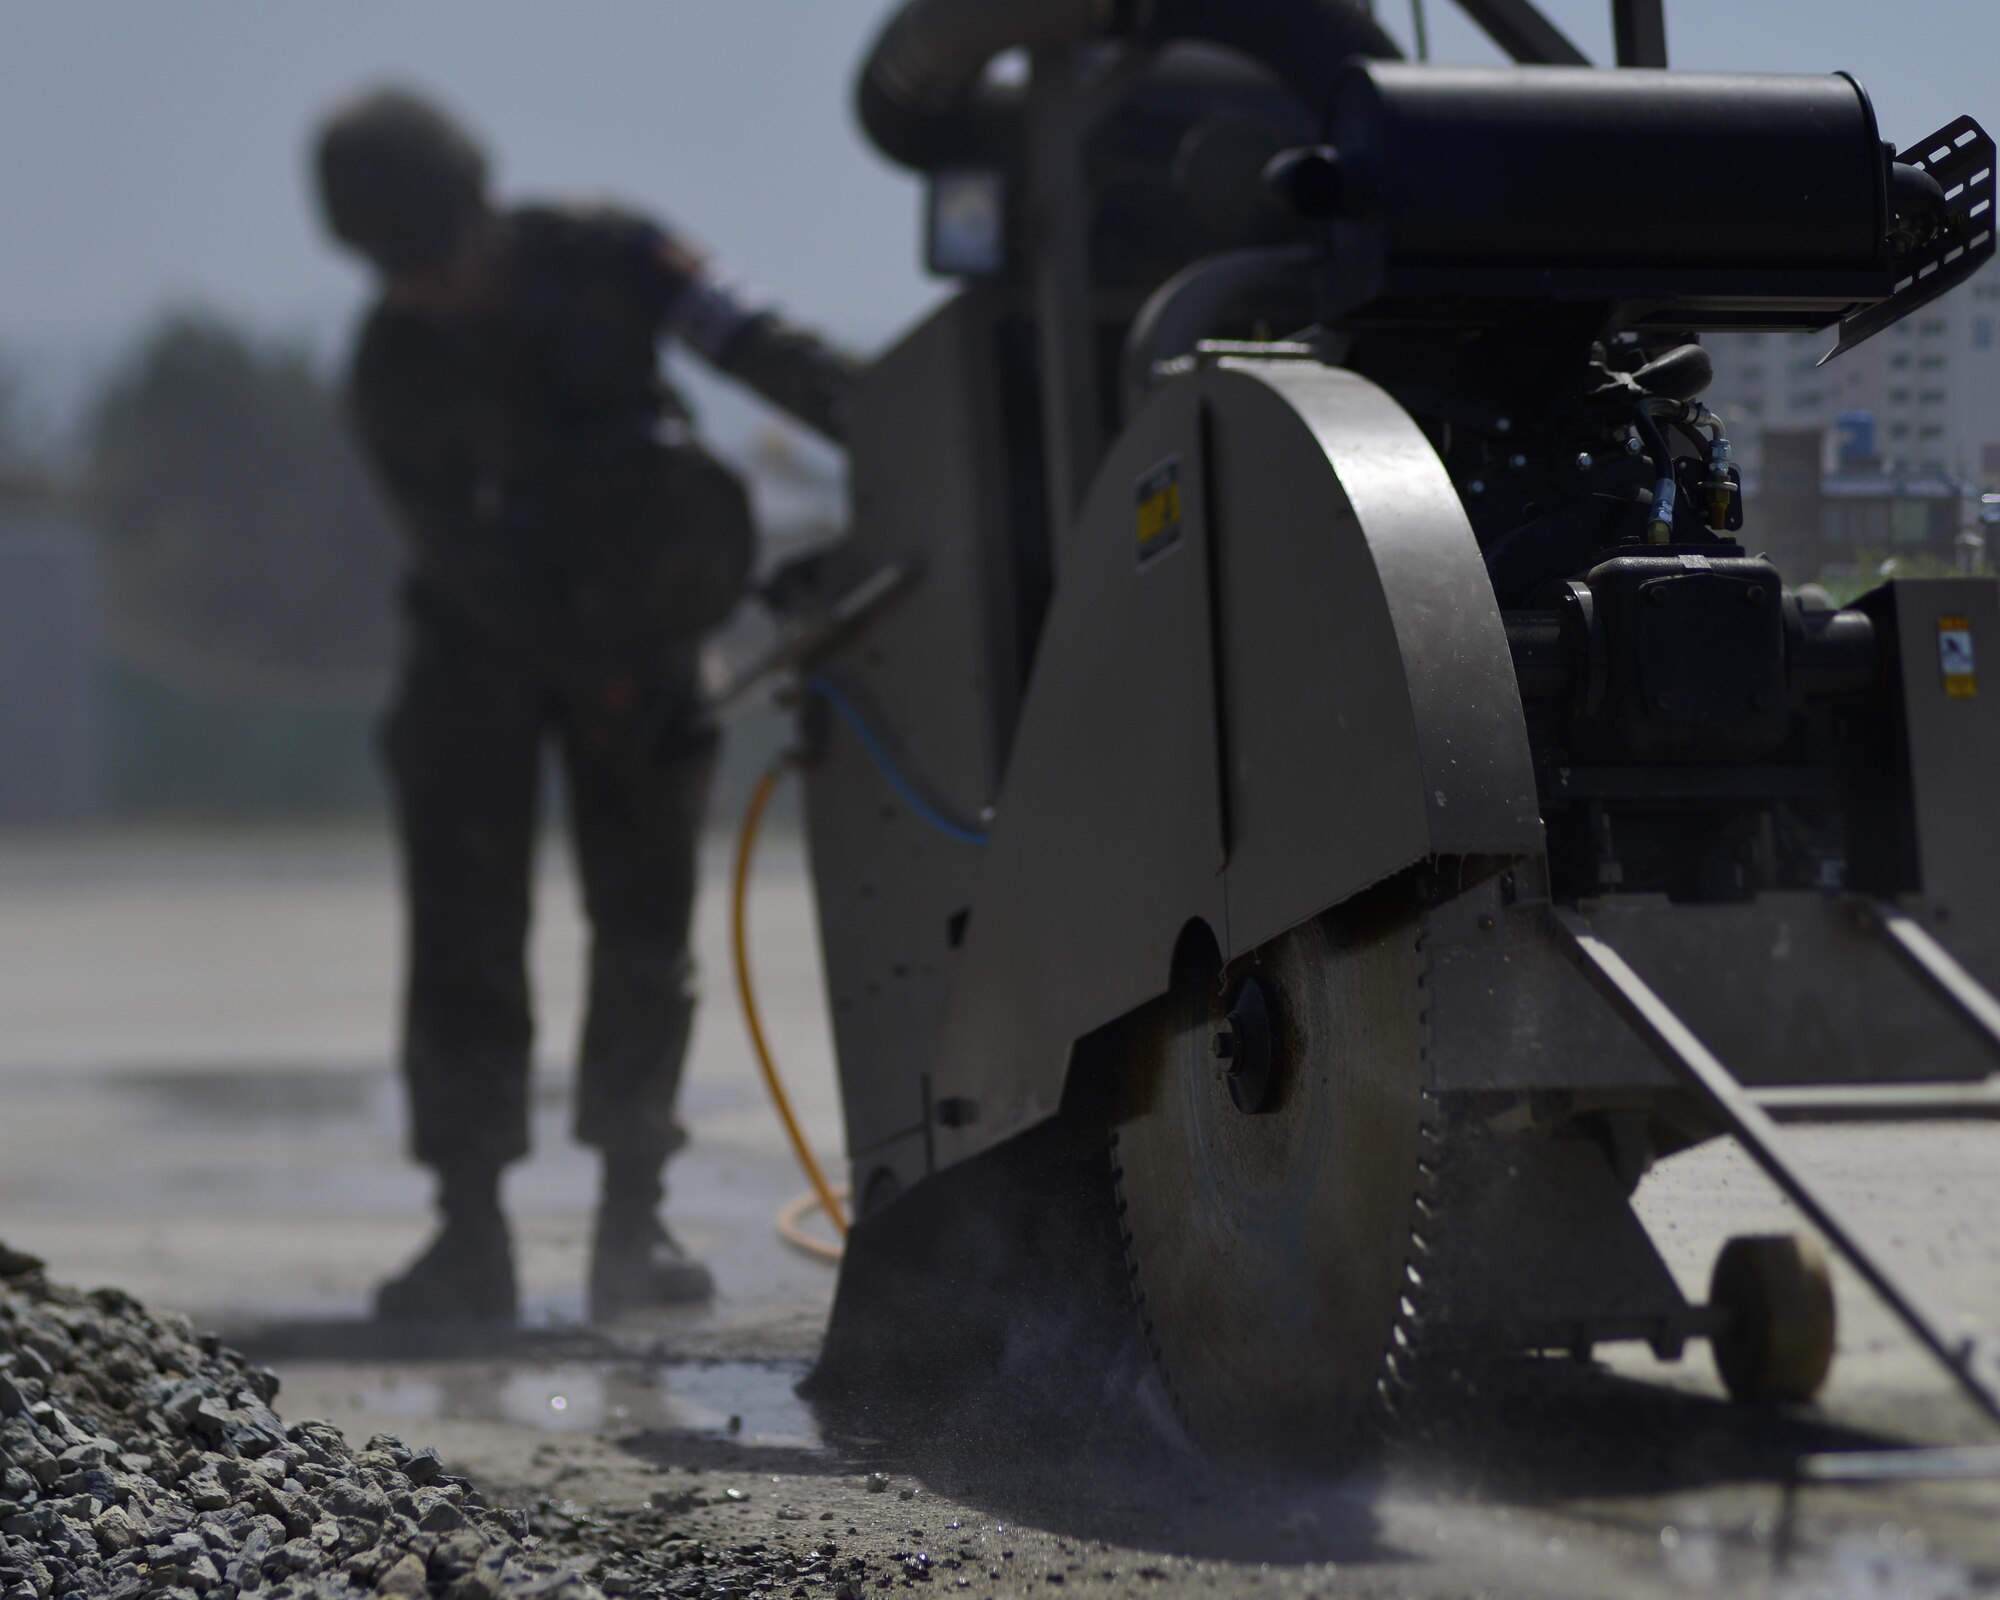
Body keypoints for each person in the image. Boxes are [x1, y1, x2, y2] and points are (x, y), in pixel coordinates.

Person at [311, 85, 857, 1323]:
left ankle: (630, 1224)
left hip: (643, 636)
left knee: (642, 929)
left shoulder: (614, 254)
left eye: (441, 243)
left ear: (480, 201)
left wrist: (891, 425)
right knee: (461, 936)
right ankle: (469, 1236)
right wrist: (589, 655)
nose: (433, 280)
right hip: (480, 659)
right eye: (399, 262)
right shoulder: (388, 370)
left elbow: (759, 345)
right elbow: (464, 562)